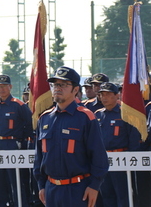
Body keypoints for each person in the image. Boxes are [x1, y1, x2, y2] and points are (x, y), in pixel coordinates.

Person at [33, 66, 109, 207]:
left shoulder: (86, 117)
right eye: (55, 84)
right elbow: (39, 156)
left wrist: (94, 186)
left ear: (75, 90)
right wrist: (41, 184)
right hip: (51, 189)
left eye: (63, 84)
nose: (58, 88)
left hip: (78, 190)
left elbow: (99, 156)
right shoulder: (44, 118)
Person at [0, 75, 32, 207]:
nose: (2, 89)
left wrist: (19, 139)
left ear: (10, 87)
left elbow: (29, 125)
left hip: (12, 144)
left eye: (4, 86)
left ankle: (20, 204)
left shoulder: (19, 105)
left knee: (16, 180)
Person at [94, 82, 140, 207]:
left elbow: (134, 140)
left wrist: (130, 162)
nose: (104, 97)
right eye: (101, 94)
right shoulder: (97, 115)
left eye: (108, 94)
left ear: (117, 95)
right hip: (103, 161)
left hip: (121, 160)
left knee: (122, 195)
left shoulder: (125, 114)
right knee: (106, 195)